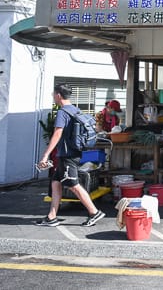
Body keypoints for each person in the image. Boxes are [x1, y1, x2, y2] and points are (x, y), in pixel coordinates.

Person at [36, 83, 105, 227]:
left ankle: (94, 212)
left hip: (68, 155)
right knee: (56, 183)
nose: (53, 96)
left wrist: (45, 155)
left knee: (74, 185)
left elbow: (57, 133)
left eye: (53, 94)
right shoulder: (75, 110)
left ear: (58, 95)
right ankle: (52, 217)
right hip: (72, 153)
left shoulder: (62, 112)